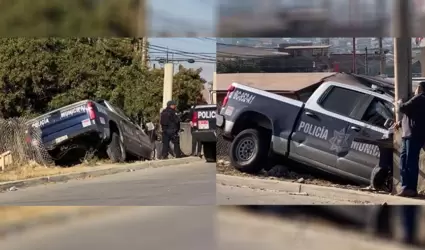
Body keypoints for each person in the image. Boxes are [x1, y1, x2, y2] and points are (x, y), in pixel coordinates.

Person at [394, 81, 425, 197]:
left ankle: (409, 188)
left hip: (413, 135)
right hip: (409, 134)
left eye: (417, 88)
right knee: (405, 160)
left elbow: (403, 108)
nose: (415, 90)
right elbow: (412, 115)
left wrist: (399, 103)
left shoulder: (419, 98)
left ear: (420, 89)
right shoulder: (419, 101)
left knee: (409, 161)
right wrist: (401, 123)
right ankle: (406, 187)